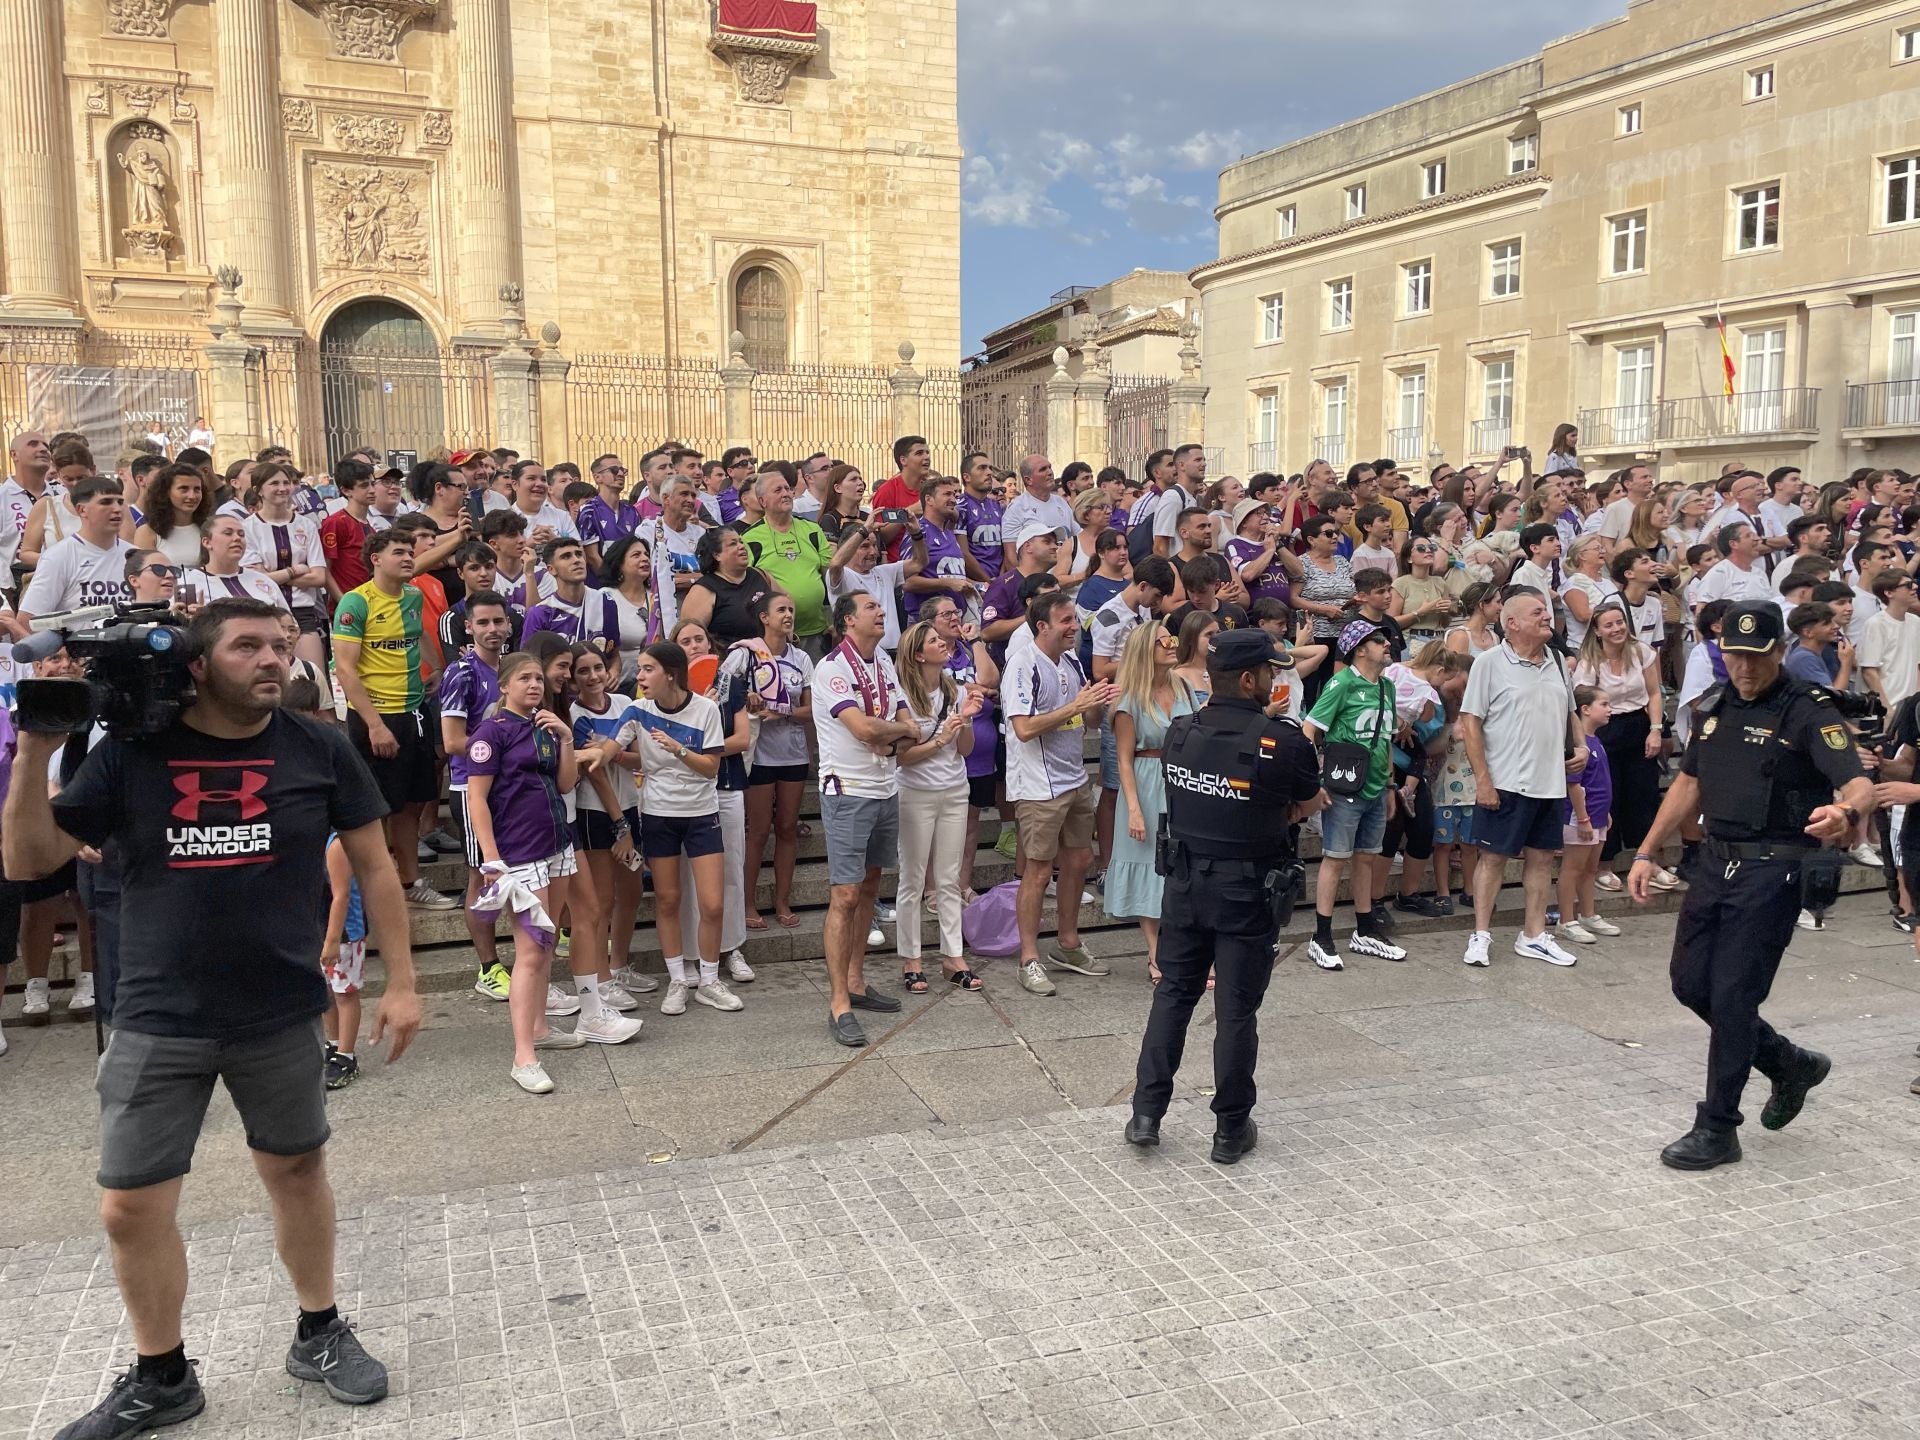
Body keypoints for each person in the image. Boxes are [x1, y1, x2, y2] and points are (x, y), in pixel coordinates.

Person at [5, 598, 420, 1436]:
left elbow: (375, 866)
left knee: (297, 1173)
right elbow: (28, 858)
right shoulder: (130, 753)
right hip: (158, 1014)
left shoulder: (318, 745)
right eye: (247, 647)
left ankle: (319, 1330)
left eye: (279, 646)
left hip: (279, 1008)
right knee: (129, 1206)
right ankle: (162, 1377)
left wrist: (402, 982)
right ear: (198, 663)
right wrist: (39, 745)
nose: (273, 659)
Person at [1629, 602, 1871, 1169]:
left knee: (1735, 996)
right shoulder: (1716, 708)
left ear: (1778, 652)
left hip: (1773, 868)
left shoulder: (1808, 711)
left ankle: (1718, 1127)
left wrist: (1844, 814)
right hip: (1714, 864)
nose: (1742, 666)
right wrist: (1645, 850)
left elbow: (1857, 780)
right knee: (1692, 986)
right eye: (1732, 654)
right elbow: (1688, 783)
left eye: (1754, 655)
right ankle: (1790, 1063)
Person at [1126, 628, 1324, 1162]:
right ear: (1247, 678)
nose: (1275, 680)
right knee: (1235, 1011)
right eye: (1269, 671)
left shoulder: (1180, 731)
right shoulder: (1283, 741)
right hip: (1246, 890)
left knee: (1172, 997)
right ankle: (1230, 1130)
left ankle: (1146, 1113)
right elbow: (1311, 799)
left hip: (1186, 886)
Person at [1458, 590, 1584, 969]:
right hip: (1506, 780)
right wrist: (1483, 780)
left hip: (1550, 781)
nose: (1547, 617)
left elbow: (1571, 712)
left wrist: (1581, 746)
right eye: (1537, 612)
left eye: (1546, 611)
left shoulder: (1559, 662)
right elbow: (1470, 723)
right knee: (1493, 859)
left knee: (1543, 859)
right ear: (1511, 623)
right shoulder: (1490, 663)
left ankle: (1532, 935)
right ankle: (1480, 934)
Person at [813, 592, 916, 1046]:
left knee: (872, 888)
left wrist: (892, 734)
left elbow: (905, 722)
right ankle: (838, 1003)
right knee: (846, 895)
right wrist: (892, 731)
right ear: (848, 621)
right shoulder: (832, 668)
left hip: (884, 785)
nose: (880, 611)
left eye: (880, 606)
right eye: (870, 607)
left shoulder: (885, 664)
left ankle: (856, 980)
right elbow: (865, 729)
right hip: (848, 790)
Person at [332, 529, 453, 911]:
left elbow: (415, 636)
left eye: (410, 552)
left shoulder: (413, 596)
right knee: (377, 805)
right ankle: (371, 886)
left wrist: (435, 666)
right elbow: (346, 671)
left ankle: (410, 882)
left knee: (414, 802)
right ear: (375, 558)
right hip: (377, 714)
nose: (407, 558)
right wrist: (375, 724)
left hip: (414, 710)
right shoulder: (356, 602)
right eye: (399, 552)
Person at [1005, 590, 1114, 996]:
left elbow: (1087, 719)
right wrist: (1076, 707)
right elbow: (1024, 728)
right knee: (1037, 870)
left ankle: (1068, 944)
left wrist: (1096, 702)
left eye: (1074, 619)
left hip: (1073, 777)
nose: (1074, 627)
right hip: (1037, 785)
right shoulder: (1022, 664)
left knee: (1080, 859)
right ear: (1042, 626)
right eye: (1066, 620)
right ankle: (1028, 957)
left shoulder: (1070, 660)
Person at [631, 639, 743, 1016]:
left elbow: (711, 766)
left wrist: (677, 747)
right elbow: (615, 747)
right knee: (667, 899)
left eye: (648, 669)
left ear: (671, 674)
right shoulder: (638, 709)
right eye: (641, 669)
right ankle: (679, 978)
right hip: (658, 814)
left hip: (701, 813)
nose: (641, 676)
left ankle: (709, 981)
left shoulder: (706, 709)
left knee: (712, 903)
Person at [1302, 619, 1409, 969]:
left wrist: (1391, 786)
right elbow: (1309, 729)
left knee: (1366, 857)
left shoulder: (1387, 687)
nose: (1388, 644)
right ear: (1360, 648)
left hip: (1377, 786)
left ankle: (1364, 929)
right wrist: (1314, 782)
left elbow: (1386, 741)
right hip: (1344, 785)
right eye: (1380, 640)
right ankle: (1322, 935)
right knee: (1335, 857)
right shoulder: (1341, 683)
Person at [892, 619, 982, 993]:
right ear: (917, 654)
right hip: (915, 792)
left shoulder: (955, 690)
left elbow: (965, 750)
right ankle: (911, 959)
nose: (944, 643)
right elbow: (903, 757)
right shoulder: (903, 697)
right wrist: (942, 737)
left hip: (954, 789)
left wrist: (967, 723)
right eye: (934, 640)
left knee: (949, 878)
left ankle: (953, 956)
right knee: (912, 878)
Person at [1106, 621, 1198, 983]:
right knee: (1150, 862)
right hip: (1146, 780)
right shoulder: (1130, 699)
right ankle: (1155, 951)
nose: (1172, 644)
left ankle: (1182, 948)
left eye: (1172, 639)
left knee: (1182, 866)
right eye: (1165, 641)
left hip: (1183, 780)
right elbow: (1124, 759)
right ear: (1147, 649)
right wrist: (1133, 809)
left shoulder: (1184, 688)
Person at [672, 619, 754, 984]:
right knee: (688, 875)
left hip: (726, 786)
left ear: (711, 643)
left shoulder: (729, 683)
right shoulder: (667, 689)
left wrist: (699, 749)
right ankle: (690, 953)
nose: (694, 645)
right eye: (685, 641)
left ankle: (731, 947)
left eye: (699, 639)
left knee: (732, 869)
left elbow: (742, 738)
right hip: (684, 794)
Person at [726, 590, 812, 930]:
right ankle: (747, 903)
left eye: (791, 609)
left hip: (792, 753)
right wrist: (744, 701)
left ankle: (782, 900)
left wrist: (784, 709)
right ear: (764, 617)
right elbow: (719, 696)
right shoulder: (744, 655)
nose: (789, 614)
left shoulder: (802, 658)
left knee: (788, 827)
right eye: (781, 610)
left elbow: (811, 711)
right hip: (757, 753)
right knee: (758, 830)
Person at [741, 469, 834, 656]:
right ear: (762, 501)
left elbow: (831, 576)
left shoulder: (812, 530)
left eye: (787, 488)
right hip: (776, 637)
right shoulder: (749, 538)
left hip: (819, 632)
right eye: (777, 490)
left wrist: (834, 620)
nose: (785, 493)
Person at [1555, 682, 1621, 947]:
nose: (1609, 709)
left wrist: (1603, 814)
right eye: (1603, 704)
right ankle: (1566, 920)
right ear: (1585, 709)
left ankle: (1588, 914)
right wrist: (1582, 817)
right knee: (1572, 868)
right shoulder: (1577, 744)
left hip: (1597, 815)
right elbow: (1574, 784)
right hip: (1579, 817)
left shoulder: (1596, 741)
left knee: (1590, 868)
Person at [17, 476, 134, 623]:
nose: (117, 509)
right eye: (106, 502)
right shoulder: (57, 557)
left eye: (120, 502)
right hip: (78, 645)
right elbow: (27, 621)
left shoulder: (137, 557)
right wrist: (59, 646)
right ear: (82, 510)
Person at [680, 525, 774, 648]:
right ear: (716, 555)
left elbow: (785, 602)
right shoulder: (704, 590)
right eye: (733, 544)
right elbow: (690, 637)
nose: (741, 546)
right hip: (728, 662)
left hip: (771, 659)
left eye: (741, 542)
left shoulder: (760, 574)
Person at [134, 462, 213, 571]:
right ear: (166, 492)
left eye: (197, 489)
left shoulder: (210, 528)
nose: (192, 496)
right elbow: (148, 575)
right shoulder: (147, 532)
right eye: (184, 489)